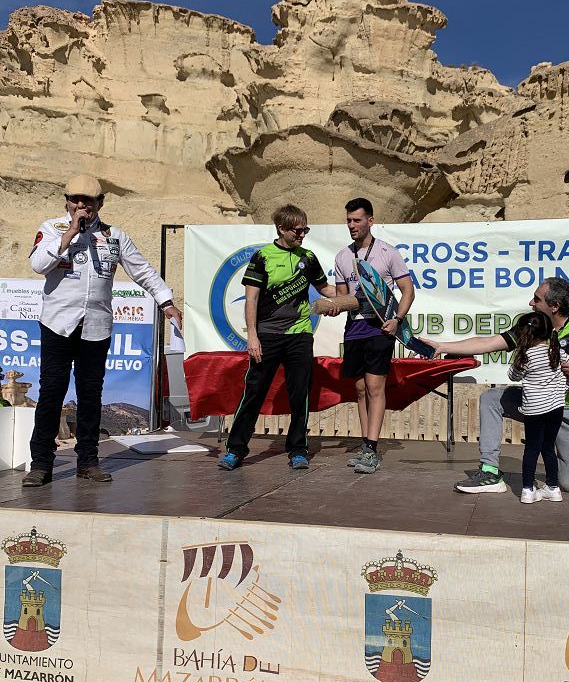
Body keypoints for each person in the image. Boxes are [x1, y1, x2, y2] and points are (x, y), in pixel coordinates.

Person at [24, 174, 182, 487]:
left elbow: (144, 271)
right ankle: (41, 463)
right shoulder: (50, 229)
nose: (81, 205)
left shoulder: (115, 236)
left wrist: (167, 303)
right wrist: (70, 232)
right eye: (75, 200)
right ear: (67, 202)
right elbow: (38, 265)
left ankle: (88, 461)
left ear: (100, 203)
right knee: (51, 393)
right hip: (58, 324)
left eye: (88, 201)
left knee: (90, 395)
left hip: (96, 326)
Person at [420, 277, 569, 494]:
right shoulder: (531, 326)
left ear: (554, 306)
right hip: (536, 403)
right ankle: (490, 472)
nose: (530, 303)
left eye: (536, 299)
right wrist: (440, 346)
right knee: (491, 398)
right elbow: (487, 343)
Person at [218, 204, 339, 472]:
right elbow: (251, 299)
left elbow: (325, 288)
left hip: (300, 335)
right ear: (281, 229)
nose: (302, 235)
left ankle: (298, 449)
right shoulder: (262, 257)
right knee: (254, 394)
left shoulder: (308, 257)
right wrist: (252, 336)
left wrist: (351, 295)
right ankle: (235, 450)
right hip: (268, 336)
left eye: (305, 229)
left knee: (300, 395)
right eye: (298, 230)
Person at [334, 198, 414, 474]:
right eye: (348, 220)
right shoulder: (342, 256)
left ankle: (371, 447)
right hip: (354, 328)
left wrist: (397, 320)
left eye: (357, 220)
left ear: (370, 221)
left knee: (374, 387)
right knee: (358, 390)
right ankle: (365, 446)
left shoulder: (387, 253)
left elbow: (408, 290)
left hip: (380, 327)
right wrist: (333, 307)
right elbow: (344, 297)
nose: (352, 225)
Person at [505, 311, 569, 504]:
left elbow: (513, 376)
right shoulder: (556, 352)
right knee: (548, 448)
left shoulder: (525, 355)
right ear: (549, 330)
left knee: (532, 449)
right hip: (556, 408)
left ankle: (527, 489)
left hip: (534, 409)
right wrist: (564, 387)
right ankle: (553, 488)